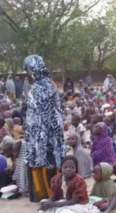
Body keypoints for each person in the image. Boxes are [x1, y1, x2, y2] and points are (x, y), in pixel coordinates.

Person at [23, 55, 65, 203]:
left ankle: (45, 194)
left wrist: (36, 133)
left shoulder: (38, 88)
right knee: (52, 159)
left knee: (42, 161)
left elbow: (38, 115)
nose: (28, 73)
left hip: (40, 135)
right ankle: (55, 191)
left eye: (28, 69)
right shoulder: (50, 84)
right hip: (53, 132)